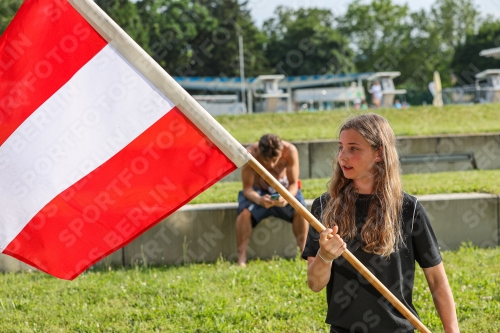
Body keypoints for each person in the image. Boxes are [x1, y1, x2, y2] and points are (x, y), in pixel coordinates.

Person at [302, 114, 459, 333]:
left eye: (353, 148)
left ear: (379, 153)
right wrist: (325, 256)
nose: (342, 157)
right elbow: (315, 284)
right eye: (341, 147)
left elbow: (437, 281)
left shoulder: (408, 209)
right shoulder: (323, 206)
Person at [236, 134, 308, 267]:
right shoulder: (250, 154)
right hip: (258, 192)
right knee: (244, 214)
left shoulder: (290, 151)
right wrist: (258, 199)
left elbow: (293, 184)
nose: (271, 164)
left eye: (275, 160)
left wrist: (287, 197)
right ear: (260, 153)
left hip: (284, 189)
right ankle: (242, 257)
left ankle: (304, 251)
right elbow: (247, 189)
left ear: (281, 152)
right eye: (266, 160)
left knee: (301, 210)